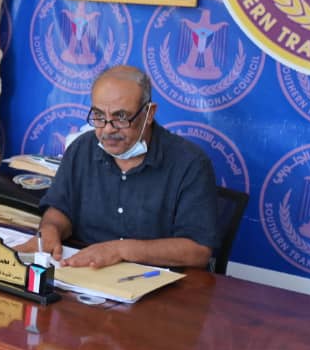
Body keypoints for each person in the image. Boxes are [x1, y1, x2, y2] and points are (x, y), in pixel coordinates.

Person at [31, 66, 219, 268]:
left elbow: (198, 250)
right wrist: (51, 229)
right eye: (99, 116)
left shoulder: (190, 163)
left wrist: (120, 250)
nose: (108, 129)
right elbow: (61, 208)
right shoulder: (82, 149)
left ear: (148, 114)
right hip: (84, 272)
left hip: (156, 279)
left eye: (121, 117)